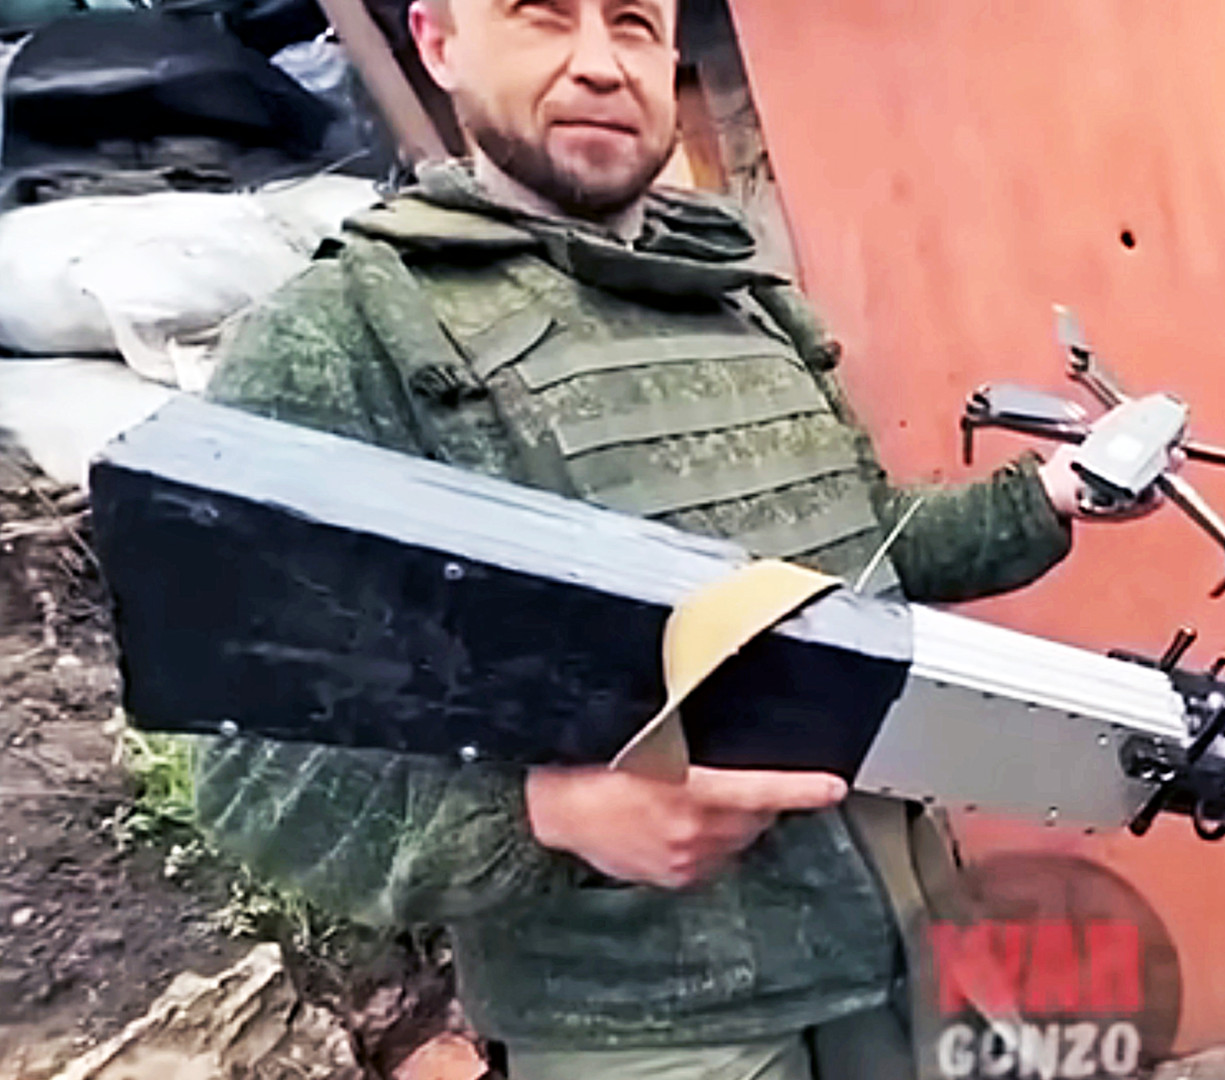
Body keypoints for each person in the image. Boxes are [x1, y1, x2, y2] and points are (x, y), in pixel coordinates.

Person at [191, 0, 1146, 1076]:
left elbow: (861, 560)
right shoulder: (342, 337)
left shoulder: (742, 301)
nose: (602, 65)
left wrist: (1051, 495)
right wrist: (548, 813)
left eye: (635, 23)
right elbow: (253, 769)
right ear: (441, 42)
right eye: (544, 18)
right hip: (651, 1031)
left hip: (898, 945)